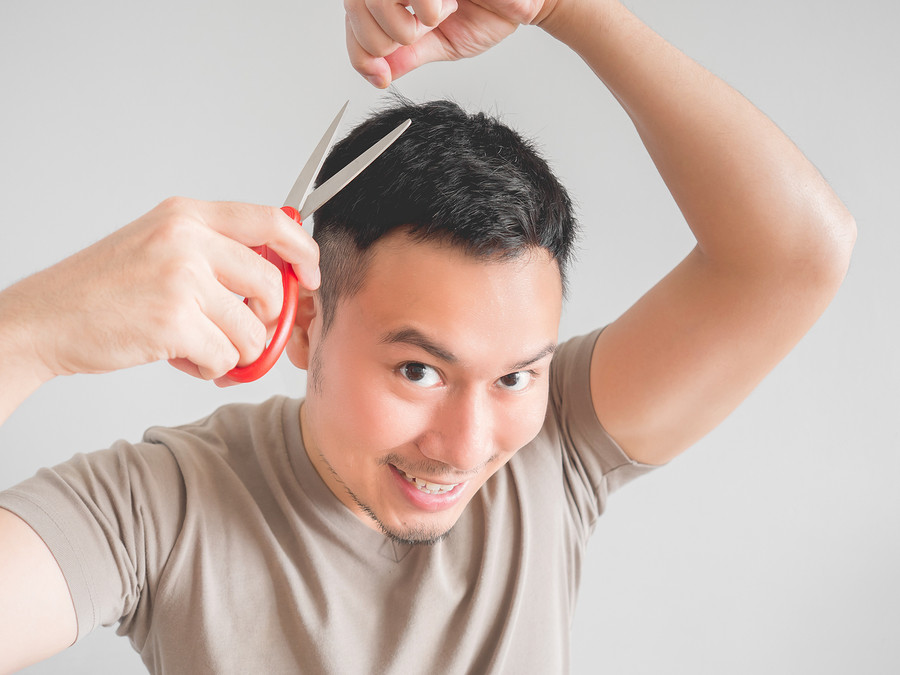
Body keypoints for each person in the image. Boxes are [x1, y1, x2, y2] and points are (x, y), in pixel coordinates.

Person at [0, 0, 856, 672]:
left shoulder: (553, 445)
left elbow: (797, 253)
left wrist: (564, 6)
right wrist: (28, 331)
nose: (467, 445)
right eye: (418, 369)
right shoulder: (164, 504)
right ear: (304, 325)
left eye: (517, 376)